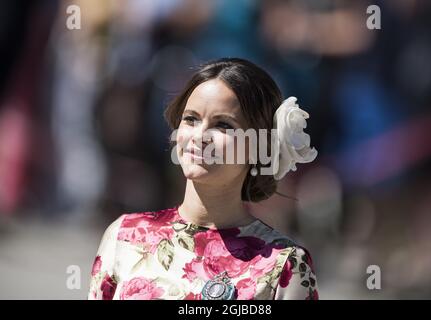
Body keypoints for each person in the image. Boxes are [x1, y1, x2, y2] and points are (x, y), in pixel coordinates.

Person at [88, 58, 319, 300]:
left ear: (261, 145)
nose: (199, 135)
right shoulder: (124, 235)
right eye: (191, 119)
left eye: (222, 125)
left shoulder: (284, 265)